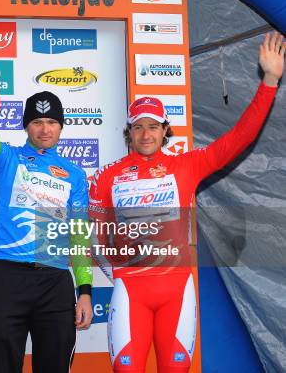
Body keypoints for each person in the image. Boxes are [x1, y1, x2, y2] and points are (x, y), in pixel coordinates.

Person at [88, 32, 284, 373]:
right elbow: (94, 236)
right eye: (138, 127)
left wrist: (269, 80)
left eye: (153, 127)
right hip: (130, 291)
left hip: (176, 292)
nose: (146, 134)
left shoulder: (187, 165)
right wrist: (117, 273)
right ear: (129, 132)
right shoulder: (107, 176)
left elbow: (240, 138)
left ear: (166, 130)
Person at [0, 89, 94, 372]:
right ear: (26, 126)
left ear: (61, 126)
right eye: (37, 122)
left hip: (55, 283)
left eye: (52, 122)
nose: (45, 129)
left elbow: (79, 235)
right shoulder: (6, 159)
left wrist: (84, 290)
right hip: (8, 279)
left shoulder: (74, 174)